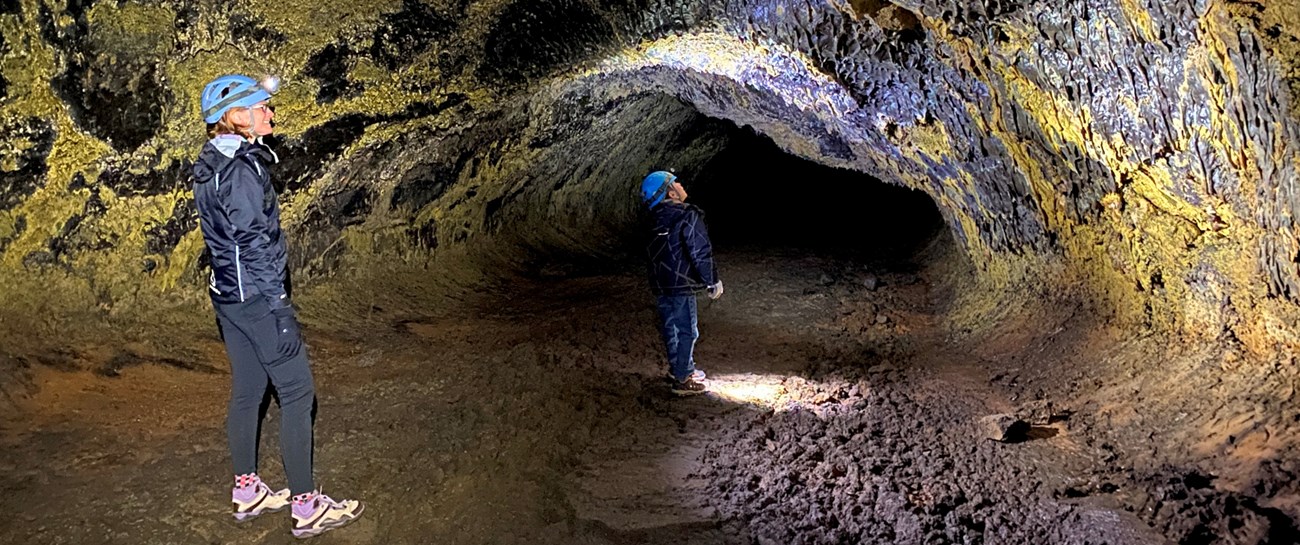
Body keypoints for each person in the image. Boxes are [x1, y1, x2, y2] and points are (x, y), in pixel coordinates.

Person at [191, 74, 364, 539]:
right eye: (262, 106)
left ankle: (247, 490)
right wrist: (280, 307)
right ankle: (307, 505)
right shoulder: (243, 170)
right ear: (237, 116)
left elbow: (220, 239)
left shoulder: (210, 162)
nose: (271, 113)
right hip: (255, 301)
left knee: (249, 389)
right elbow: (254, 244)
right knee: (297, 393)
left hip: (226, 296)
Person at [641, 170, 724, 396]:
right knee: (688, 330)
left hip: (661, 285)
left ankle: (677, 368)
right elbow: (700, 251)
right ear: (670, 192)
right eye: (676, 183)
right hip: (682, 284)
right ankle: (683, 378)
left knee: (671, 328)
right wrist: (711, 280)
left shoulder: (652, 220)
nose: (681, 185)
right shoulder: (687, 215)